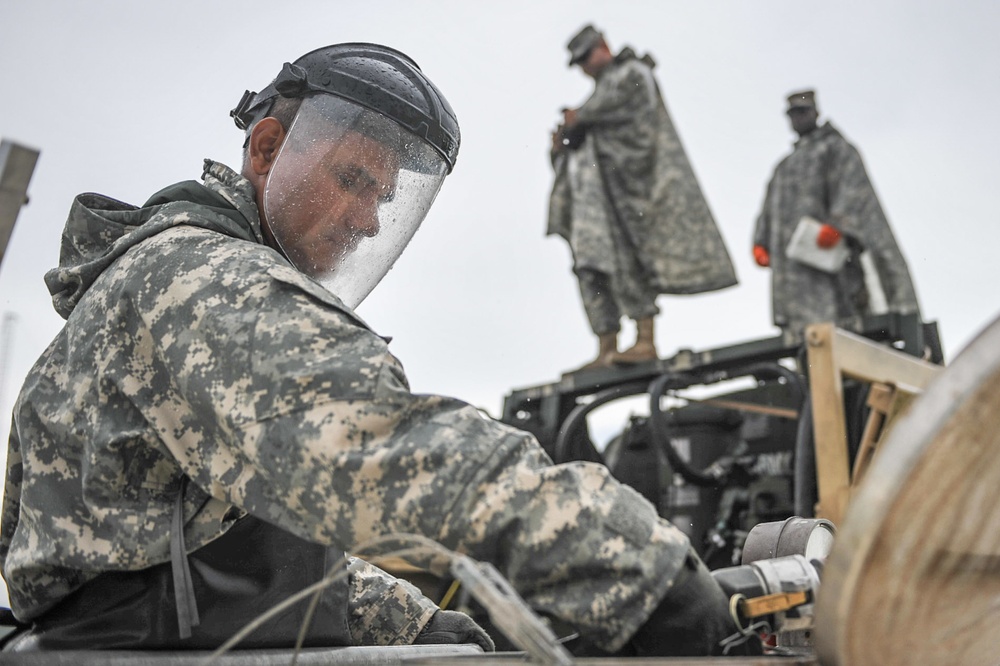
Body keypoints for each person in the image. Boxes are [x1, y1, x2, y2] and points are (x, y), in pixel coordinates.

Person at [1, 43, 744, 657]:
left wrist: (413, 621)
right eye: (352, 180)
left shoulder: (177, 285)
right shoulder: (206, 282)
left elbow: (223, 547)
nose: (365, 220)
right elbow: (376, 442)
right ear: (267, 148)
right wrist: (645, 575)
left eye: (383, 198)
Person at [548, 24, 737, 371]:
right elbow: (583, 133)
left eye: (586, 57)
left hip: (625, 195)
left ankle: (644, 340)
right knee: (591, 267)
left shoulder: (632, 74)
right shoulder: (599, 92)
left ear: (603, 46)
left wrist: (580, 120)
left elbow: (621, 110)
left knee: (626, 262)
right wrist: (564, 140)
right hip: (593, 202)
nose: (584, 67)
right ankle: (606, 346)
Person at [753, 89, 921, 340]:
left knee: (837, 313)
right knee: (801, 325)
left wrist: (840, 224)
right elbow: (768, 208)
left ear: (815, 112)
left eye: (802, 112)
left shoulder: (836, 149)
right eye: (793, 115)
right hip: (791, 267)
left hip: (830, 258)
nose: (798, 119)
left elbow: (853, 188)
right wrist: (760, 241)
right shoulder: (784, 167)